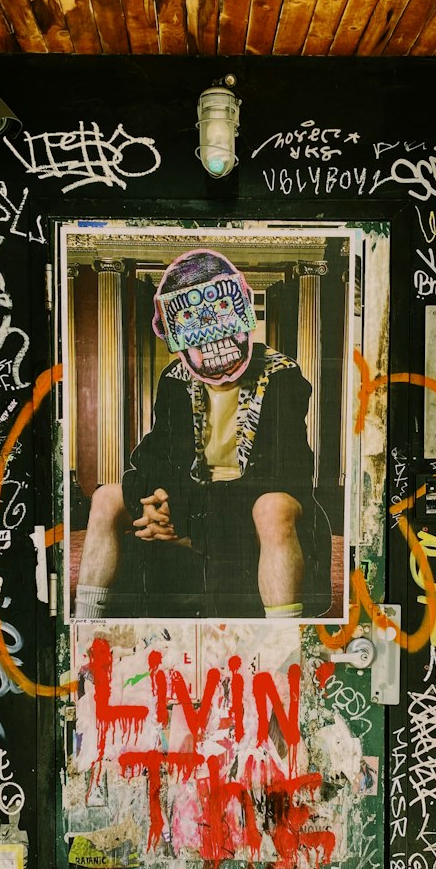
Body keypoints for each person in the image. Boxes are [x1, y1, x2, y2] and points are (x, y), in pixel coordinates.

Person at [73, 247, 332, 621]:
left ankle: (285, 644)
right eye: (193, 320)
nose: (211, 334)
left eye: (222, 313)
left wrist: (190, 520)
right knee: (106, 497)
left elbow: (286, 471)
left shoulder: (282, 376)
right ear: (175, 336)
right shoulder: (174, 379)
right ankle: (86, 626)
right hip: (190, 496)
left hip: (252, 499)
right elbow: (156, 453)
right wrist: (156, 500)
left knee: (272, 507)